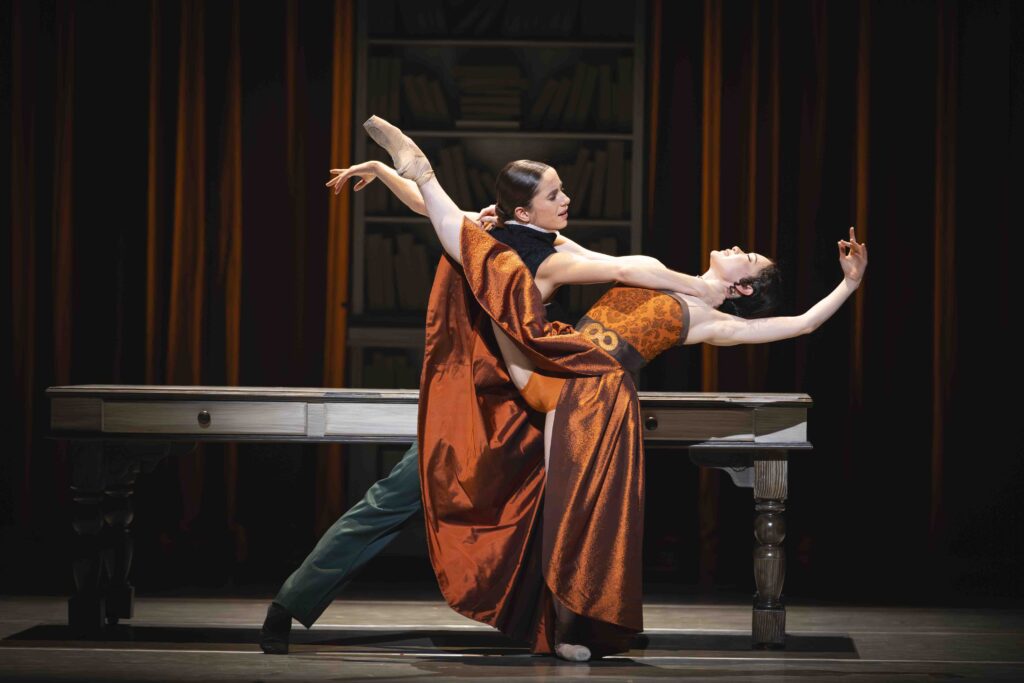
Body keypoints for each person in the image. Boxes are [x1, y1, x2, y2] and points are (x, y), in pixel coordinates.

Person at [259, 119, 867, 660]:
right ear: (527, 211)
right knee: (396, 495)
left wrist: (842, 284)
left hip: (561, 394)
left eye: (748, 257)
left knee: (552, 516)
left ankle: (560, 623)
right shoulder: (517, 239)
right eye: (554, 194)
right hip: (495, 394)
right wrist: (387, 171)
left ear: (742, 289)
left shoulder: (620, 282)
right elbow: (442, 217)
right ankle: (291, 604)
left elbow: (784, 320)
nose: (567, 200)